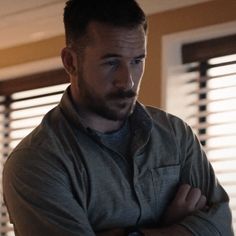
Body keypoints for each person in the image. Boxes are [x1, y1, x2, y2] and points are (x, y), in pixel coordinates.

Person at [2, 0, 233, 235]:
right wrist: (174, 227)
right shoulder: (36, 162)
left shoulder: (175, 134)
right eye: (111, 62)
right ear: (71, 61)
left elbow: (222, 227)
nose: (128, 81)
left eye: (136, 61)